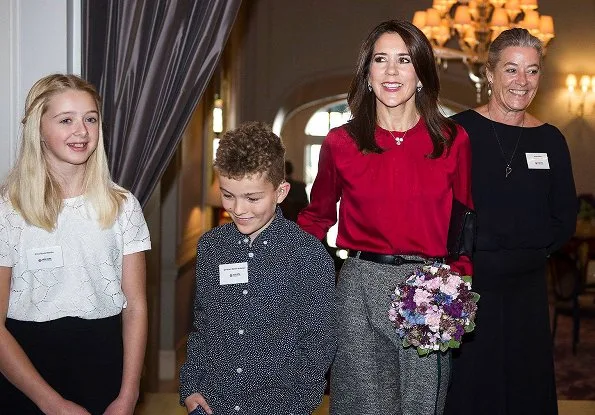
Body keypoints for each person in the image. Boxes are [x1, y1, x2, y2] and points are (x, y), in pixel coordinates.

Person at [297, 20, 473, 415]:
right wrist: (291, 276)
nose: (392, 71)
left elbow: (464, 219)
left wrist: (458, 281)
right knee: (361, 404)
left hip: (429, 287)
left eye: (404, 60)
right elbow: (316, 217)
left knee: (421, 406)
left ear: (421, 73)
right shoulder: (340, 142)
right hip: (359, 285)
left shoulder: (452, 140)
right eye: (381, 60)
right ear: (368, 73)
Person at [444, 28, 577, 415]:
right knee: (472, 388)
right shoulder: (456, 132)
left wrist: (531, 250)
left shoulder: (551, 140)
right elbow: (439, 206)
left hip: (528, 287)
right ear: (490, 73)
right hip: (470, 284)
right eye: (512, 69)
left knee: (525, 387)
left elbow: (564, 215)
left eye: (532, 71)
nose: (522, 82)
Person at [0, 74, 151, 414]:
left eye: (90, 119)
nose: (81, 131)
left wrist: (128, 395)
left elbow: (136, 307)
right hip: (26, 374)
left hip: (104, 369)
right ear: (38, 128)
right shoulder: (9, 211)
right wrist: (49, 402)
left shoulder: (123, 206)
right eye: (66, 120)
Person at [179, 121, 337, 415]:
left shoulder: (308, 255)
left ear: (281, 192)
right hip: (213, 402)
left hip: (277, 405)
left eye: (252, 198)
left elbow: (319, 342)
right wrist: (191, 386)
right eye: (228, 195)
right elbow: (202, 325)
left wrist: (297, 405)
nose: (238, 209)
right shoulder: (211, 247)